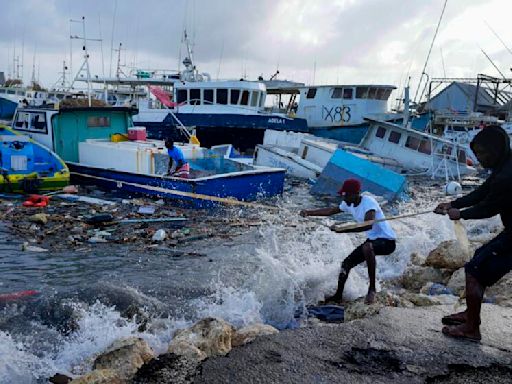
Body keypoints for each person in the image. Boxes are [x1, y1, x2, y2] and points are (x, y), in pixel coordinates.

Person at [434, 125, 512, 341]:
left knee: (475, 270)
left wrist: (460, 214)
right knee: (479, 259)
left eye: (482, 154)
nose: (479, 160)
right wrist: (452, 203)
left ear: (496, 151)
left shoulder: (507, 175)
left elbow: (488, 207)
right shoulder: (504, 166)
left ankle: (471, 328)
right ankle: (470, 315)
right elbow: (482, 192)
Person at [300, 178, 396, 304]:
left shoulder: (369, 203)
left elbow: (368, 225)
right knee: (346, 264)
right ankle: (338, 295)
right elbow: (331, 211)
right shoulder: (348, 203)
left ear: (356, 193)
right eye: (344, 195)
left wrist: (343, 230)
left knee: (367, 247)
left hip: (387, 242)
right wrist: (308, 212)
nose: (344, 199)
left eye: (347, 195)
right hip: (373, 241)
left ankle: (372, 289)